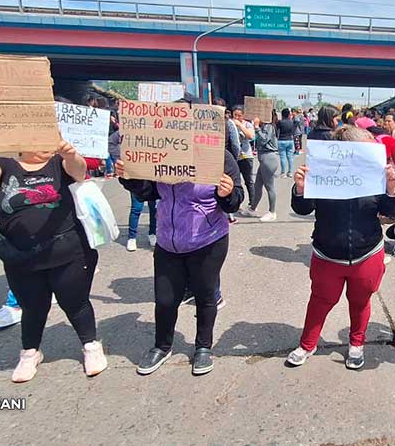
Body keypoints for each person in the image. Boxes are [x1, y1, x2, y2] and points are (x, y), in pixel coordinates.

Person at [0, 137, 107, 382]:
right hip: (22, 257)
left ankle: (91, 346)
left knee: (76, 302)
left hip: (68, 252)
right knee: (32, 306)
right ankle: (30, 352)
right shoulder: (5, 165)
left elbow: (79, 171)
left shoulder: (58, 163)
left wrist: (70, 155)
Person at [117, 149, 243, 376]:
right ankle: (162, 346)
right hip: (168, 241)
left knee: (205, 296)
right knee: (165, 300)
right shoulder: (162, 152)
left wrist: (228, 193)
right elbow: (148, 191)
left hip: (208, 241)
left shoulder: (218, 155)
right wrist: (130, 178)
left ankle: (203, 347)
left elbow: (234, 203)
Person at [286, 125, 395, 370]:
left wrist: (392, 189)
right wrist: (300, 189)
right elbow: (303, 209)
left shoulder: (375, 174)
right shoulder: (323, 172)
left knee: (360, 302)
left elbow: (389, 210)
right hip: (327, 253)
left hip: (367, 252)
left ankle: (356, 344)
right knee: (320, 300)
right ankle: (307, 344)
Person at [241, 109, 279, 222]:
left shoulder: (269, 127)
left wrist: (257, 127)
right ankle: (252, 208)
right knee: (258, 186)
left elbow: (263, 140)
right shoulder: (265, 126)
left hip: (268, 158)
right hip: (264, 159)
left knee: (269, 186)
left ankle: (272, 212)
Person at [229, 106, 256, 211]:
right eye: (235, 115)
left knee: (248, 181)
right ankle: (236, 203)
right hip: (234, 157)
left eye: (239, 115)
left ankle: (252, 203)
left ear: (243, 116)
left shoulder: (247, 124)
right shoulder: (230, 123)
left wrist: (240, 125)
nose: (236, 117)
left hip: (246, 156)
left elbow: (251, 136)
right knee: (235, 181)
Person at [277, 108, 296, 178]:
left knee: (283, 157)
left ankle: (283, 173)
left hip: (282, 140)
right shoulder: (292, 122)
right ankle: (290, 172)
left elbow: (277, 130)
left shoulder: (280, 122)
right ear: (289, 114)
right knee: (290, 157)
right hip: (290, 140)